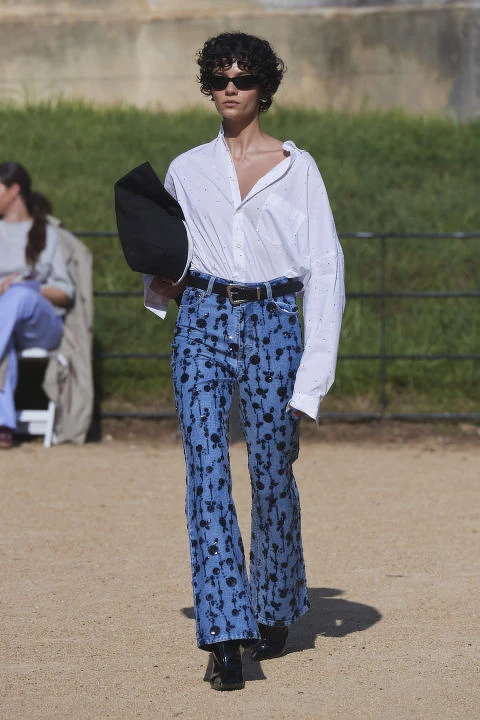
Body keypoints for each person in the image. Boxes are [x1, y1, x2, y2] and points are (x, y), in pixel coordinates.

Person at [144, 32, 345, 690]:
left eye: (243, 78)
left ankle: (276, 602)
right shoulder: (185, 169)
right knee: (205, 473)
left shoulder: (298, 169)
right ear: (208, 85)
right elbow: (167, 258)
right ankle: (226, 634)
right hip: (202, 320)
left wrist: (313, 380)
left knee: (271, 471)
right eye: (220, 78)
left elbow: (325, 270)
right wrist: (160, 283)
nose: (230, 88)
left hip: (275, 322)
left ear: (265, 88)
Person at [0, 162, 74, 449]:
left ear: (14, 190)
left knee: (20, 295)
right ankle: (4, 424)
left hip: (41, 324)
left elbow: (65, 293)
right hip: (5, 324)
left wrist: (29, 286)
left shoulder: (46, 233)